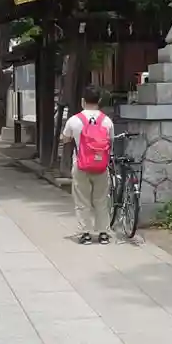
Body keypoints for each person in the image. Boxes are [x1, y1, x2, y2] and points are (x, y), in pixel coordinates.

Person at [60, 84, 114, 244]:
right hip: (101, 166)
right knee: (101, 199)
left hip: (81, 165)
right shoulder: (107, 121)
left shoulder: (74, 120)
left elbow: (65, 139)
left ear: (83, 101)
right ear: (99, 101)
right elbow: (110, 141)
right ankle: (103, 233)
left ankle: (86, 234)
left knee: (82, 200)